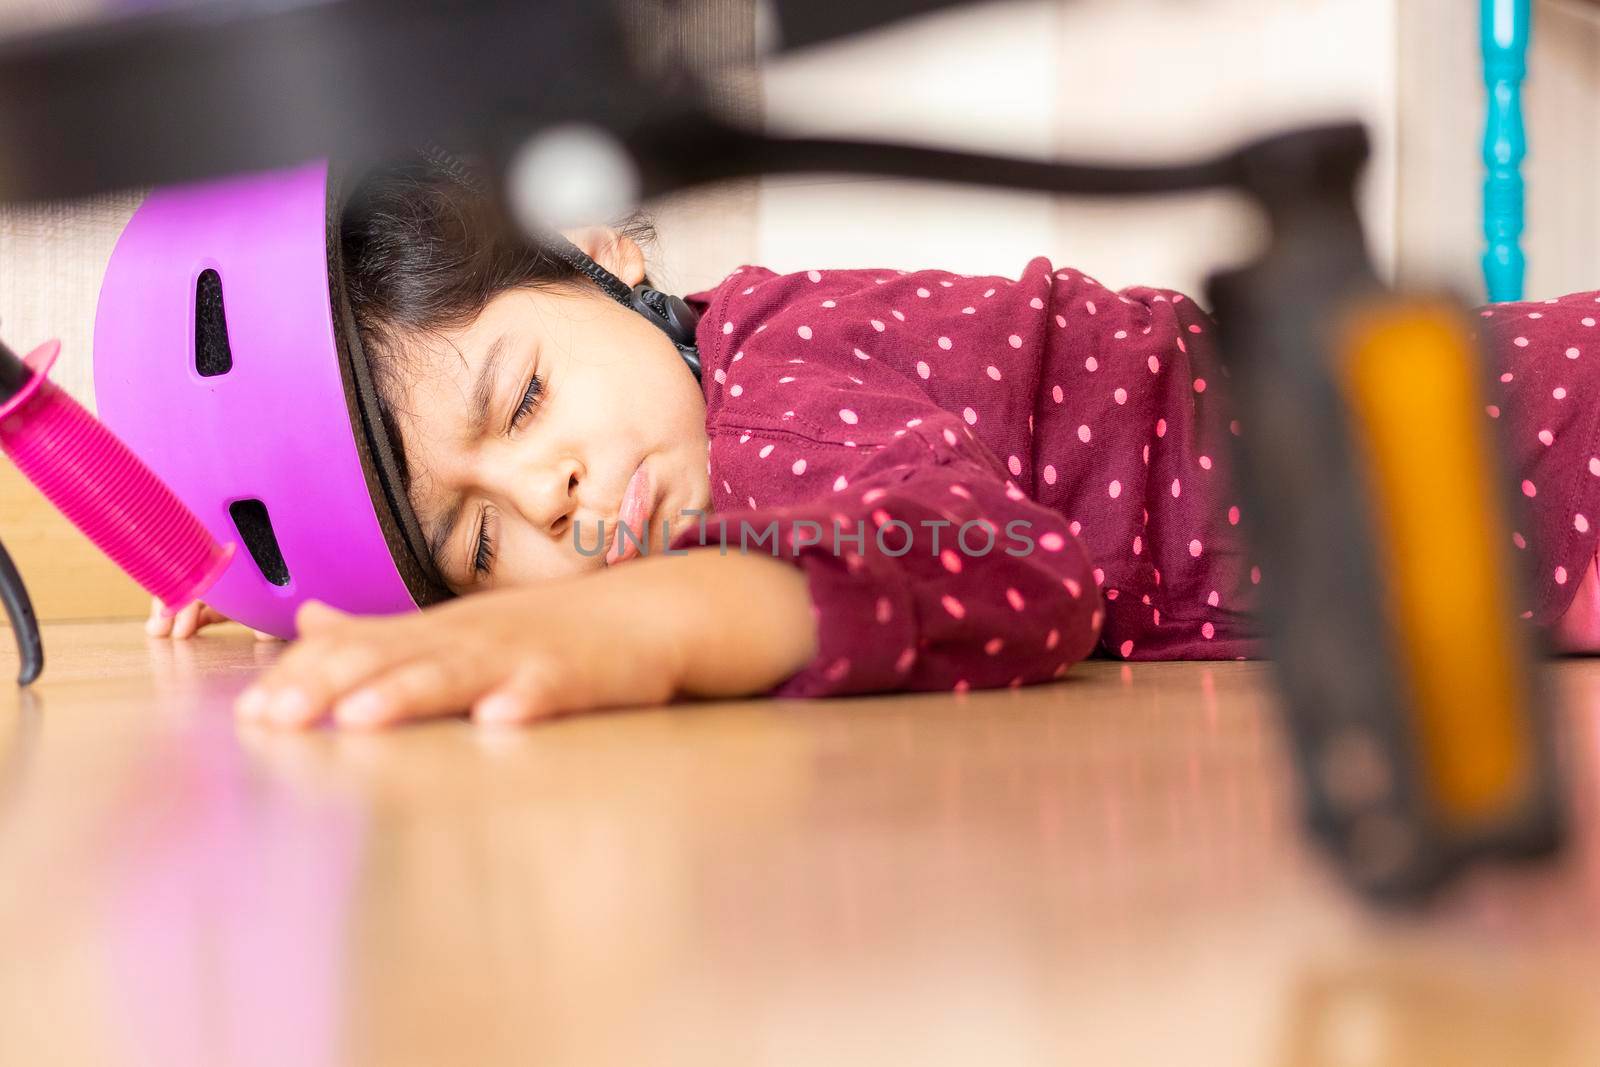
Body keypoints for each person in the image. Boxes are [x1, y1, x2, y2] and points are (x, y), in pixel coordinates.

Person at [150, 152, 1600, 728]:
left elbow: (1006, 573)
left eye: (522, 401)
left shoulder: (780, 375)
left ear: (601, 258)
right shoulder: (733, 416)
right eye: (480, 542)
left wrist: (635, 631)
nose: (550, 491)